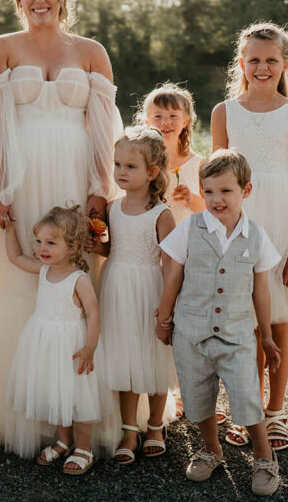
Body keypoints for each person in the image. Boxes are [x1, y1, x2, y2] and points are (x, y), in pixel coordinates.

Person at [0, 0, 120, 453]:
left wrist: (99, 189)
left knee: (74, 283)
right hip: (17, 180)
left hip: (72, 176)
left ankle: (82, 418)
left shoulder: (91, 52)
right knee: (16, 279)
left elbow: (104, 128)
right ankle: (11, 414)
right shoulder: (0, 49)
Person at [210, 22, 288, 450]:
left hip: (282, 219)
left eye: (271, 60)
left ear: (286, 64)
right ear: (242, 63)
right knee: (245, 322)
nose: (262, 67)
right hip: (239, 222)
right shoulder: (224, 112)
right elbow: (216, 179)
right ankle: (247, 409)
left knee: (277, 318)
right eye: (254, 59)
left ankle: (275, 412)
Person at [155, 150, 282, 494]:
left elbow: (262, 293)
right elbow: (172, 278)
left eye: (226, 191)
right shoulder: (189, 229)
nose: (216, 199)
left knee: (246, 397)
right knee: (197, 398)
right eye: (209, 191)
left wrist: (267, 338)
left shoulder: (256, 235)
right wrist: (164, 318)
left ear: (246, 190)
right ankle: (211, 449)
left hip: (238, 335)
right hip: (191, 332)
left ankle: (263, 456)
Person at [90, 126, 177, 464]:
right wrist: (95, 244)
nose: (121, 172)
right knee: (125, 356)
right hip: (116, 287)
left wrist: (166, 308)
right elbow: (113, 249)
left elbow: (171, 264)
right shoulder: (112, 207)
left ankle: (155, 426)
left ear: (152, 172)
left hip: (148, 289)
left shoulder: (161, 213)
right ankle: (129, 428)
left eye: (130, 167)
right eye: (118, 165)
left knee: (151, 357)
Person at [3, 206, 106, 475]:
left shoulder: (79, 279)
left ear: (72, 247)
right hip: (44, 342)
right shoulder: (42, 269)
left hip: (72, 345)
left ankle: (84, 447)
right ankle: (64, 440)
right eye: (38, 242)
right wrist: (11, 229)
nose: (42, 248)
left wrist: (90, 348)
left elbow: (93, 312)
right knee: (55, 391)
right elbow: (14, 257)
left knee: (78, 396)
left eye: (50, 242)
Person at [140, 83, 206, 225]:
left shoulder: (198, 165)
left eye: (173, 116)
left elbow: (210, 210)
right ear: (147, 122)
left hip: (185, 239)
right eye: (158, 116)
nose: (165, 122)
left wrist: (191, 199)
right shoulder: (142, 162)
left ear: (185, 121)